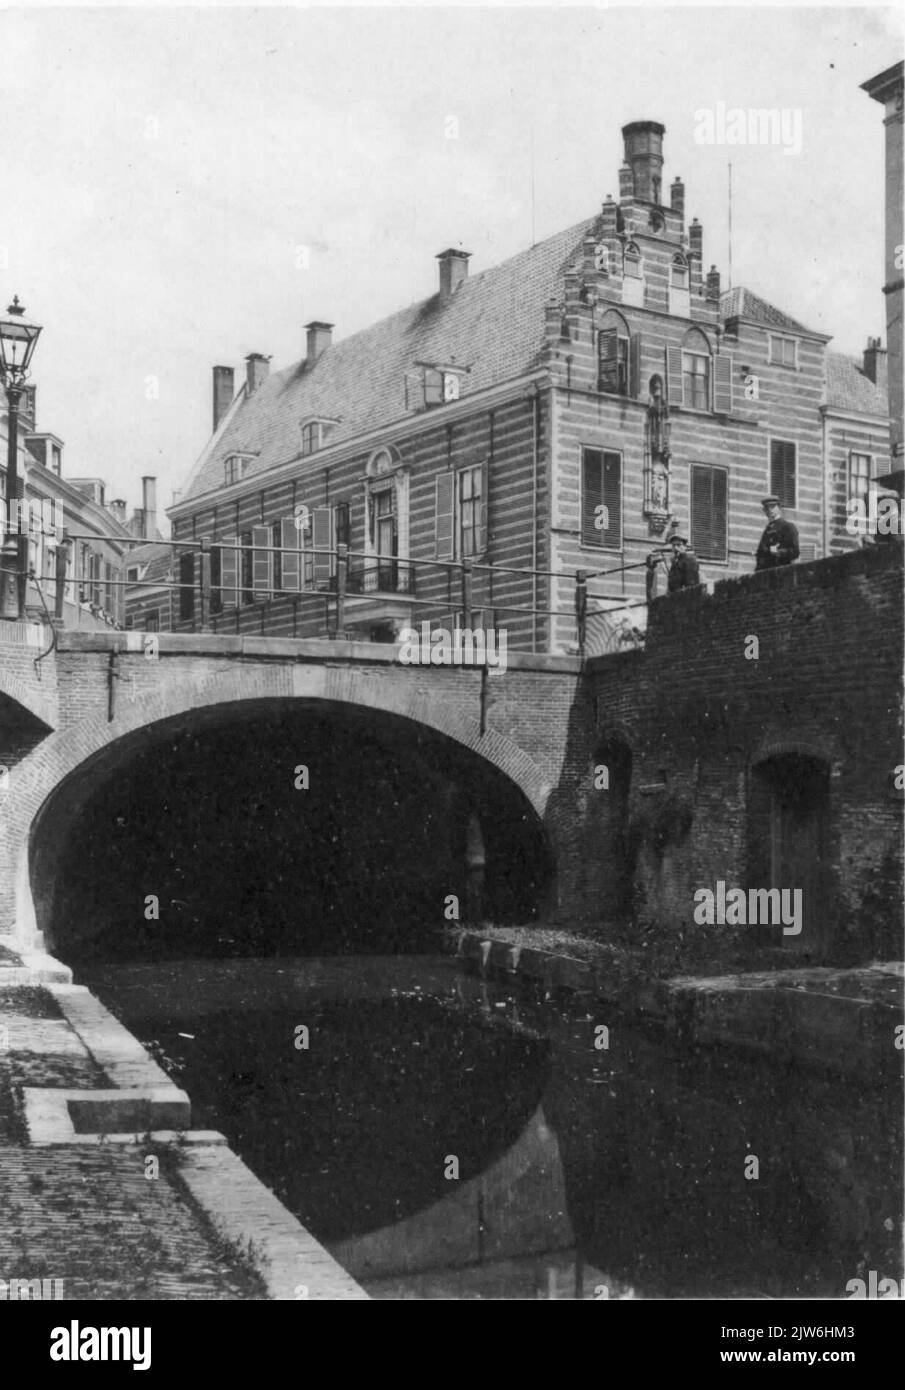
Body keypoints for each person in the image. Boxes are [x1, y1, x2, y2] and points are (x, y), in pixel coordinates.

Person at [756, 496, 799, 570]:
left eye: (772, 506)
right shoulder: (767, 530)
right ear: (764, 511)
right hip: (765, 573)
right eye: (766, 508)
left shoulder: (787, 526)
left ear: (779, 508)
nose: (769, 510)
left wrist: (778, 552)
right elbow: (760, 553)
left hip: (781, 571)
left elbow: (795, 552)